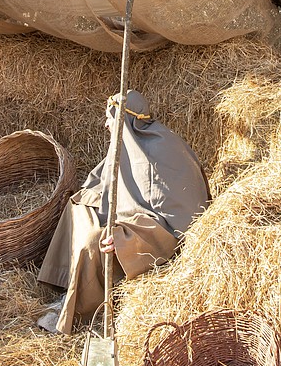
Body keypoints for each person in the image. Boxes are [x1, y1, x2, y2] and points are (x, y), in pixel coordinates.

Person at [37, 90, 209, 334]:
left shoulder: (164, 150)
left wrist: (126, 238)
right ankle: (68, 283)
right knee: (77, 207)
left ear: (123, 120)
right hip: (122, 215)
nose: (106, 123)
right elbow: (105, 182)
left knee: (92, 241)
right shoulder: (126, 143)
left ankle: (77, 310)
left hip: (145, 233)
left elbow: (177, 224)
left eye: (110, 117)